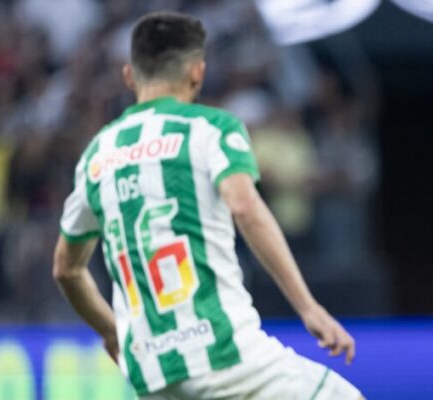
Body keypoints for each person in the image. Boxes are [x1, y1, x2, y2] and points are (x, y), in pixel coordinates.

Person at [53, 12, 363, 400]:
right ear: (197, 73)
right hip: (222, 354)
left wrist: (111, 330)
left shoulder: (97, 155)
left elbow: (66, 268)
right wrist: (308, 307)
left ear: (129, 75)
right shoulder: (210, 129)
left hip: (151, 373)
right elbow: (245, 207)